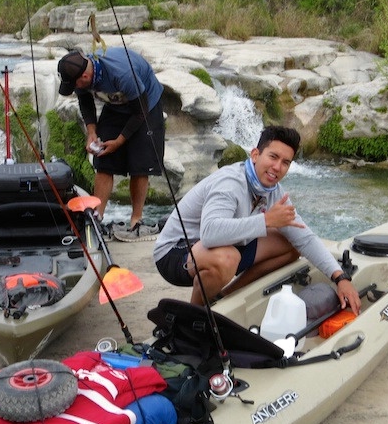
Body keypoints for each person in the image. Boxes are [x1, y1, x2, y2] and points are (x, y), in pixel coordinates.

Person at [153, 125, 361, 314]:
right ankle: (195, 314)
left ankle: (224, 297)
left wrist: (339, 277)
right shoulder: (230, 182)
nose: (277, 167)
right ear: (255, 154)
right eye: (273, 157)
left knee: (291, 245)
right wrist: (266, 221)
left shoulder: (273, 191)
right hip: (175, 254)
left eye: (285, 162)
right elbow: (209, 233)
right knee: (228, 258)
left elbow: (305, 237)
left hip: (219, 248)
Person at [57, 46, 165, 242]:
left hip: (145, 105)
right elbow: (86, 103)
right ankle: (97, 218)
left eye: (75, 85)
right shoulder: (81, 77)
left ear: (85, 76)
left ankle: (136, 221)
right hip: (116, 105)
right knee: (103, 160)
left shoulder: (122, 73)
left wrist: (119, 141)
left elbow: (140, 111)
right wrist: (91, 132)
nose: (75, 89)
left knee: (139, 164)